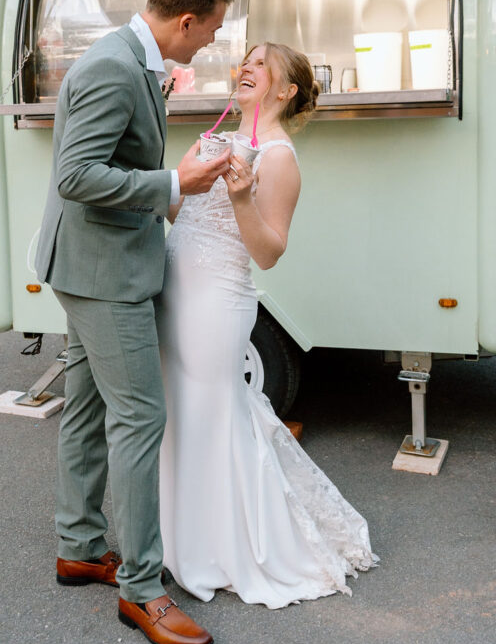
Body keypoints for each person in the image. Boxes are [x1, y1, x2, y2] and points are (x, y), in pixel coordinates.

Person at [34, 0, 233, 644]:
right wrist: (173, 183)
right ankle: (142, 590)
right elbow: (77, 174)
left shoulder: (135, 62)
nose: (209, 42)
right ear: (185, 20)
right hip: (103, 273)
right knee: (140, 417)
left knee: (88, 409)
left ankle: (80, 547)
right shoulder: (114, 67)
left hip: (94, 262)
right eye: (210, 29)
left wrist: (171, 182)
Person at [157, 42, 378, 608]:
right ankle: (181, 537)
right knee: (179, 413)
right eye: (246, 61)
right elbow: (176, 213)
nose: (247, 68)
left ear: (286, 91)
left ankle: (226, 548)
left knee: (212, 416)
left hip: (218, 300)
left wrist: (240, 197)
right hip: (175, 288)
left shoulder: (278, 157)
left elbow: (269, 252)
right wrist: (181, 181)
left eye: (262, 64)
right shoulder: (220, 137)